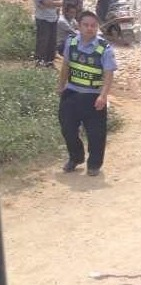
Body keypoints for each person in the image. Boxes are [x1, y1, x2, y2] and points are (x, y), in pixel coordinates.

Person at [56, 10, 117, 176]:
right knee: (67, 128)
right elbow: (66, 65)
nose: (90, 28)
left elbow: (108, 74)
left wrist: (103, 96)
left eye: (93, 26)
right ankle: (75, 157)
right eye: (86, 25)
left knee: (96, 133)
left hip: (93, 96)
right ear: (79, 25)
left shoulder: (104, 48)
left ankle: (94, 164)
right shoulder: (71, 43)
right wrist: (61, 85)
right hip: (72, 93)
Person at [33, 0, 64, 68]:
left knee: (52, 40)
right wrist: (51, 3)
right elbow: (44, 2)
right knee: (43, 40)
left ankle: (49, 61)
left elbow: (60, 1)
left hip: (53, 17)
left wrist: (50, 3)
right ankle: (39, 61)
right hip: (42, 18)